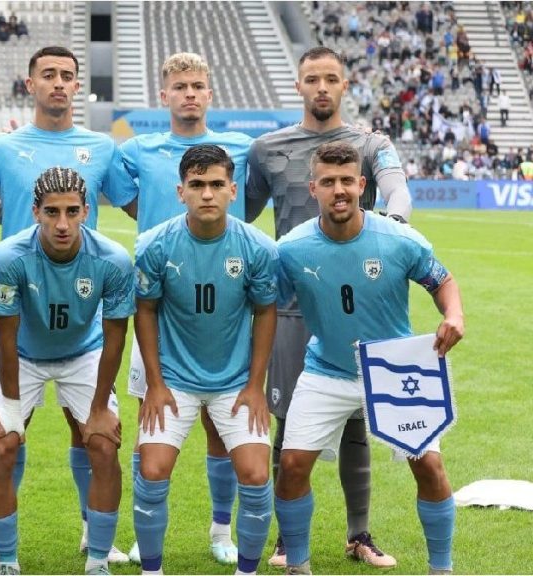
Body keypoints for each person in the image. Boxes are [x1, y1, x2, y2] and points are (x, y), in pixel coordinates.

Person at [0, 45, 137, 566]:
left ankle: (93, 535)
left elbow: (138, 204)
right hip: (23, 307)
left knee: (91, 434)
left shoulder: (101, 147)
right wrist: (13, 220)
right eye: (48, 75)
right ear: (30, 83)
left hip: (82, 312)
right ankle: (0, 545)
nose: (58, 83)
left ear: (78, 85)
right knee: (6, 435)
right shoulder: (2, 146)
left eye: (67, 75)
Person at [243, 46, 412, 569]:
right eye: (312, 78)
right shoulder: (266, 149)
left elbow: (398, 191)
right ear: (298, 85)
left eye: (331, 78)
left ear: (345, 84)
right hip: (292, 306)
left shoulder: (371, 143)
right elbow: (239, 214)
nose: (322, 87)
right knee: (287, 424)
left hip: (356, 307)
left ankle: (359, 534)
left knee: (357, 419)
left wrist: (395, 224)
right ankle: (285, 537)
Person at [274, 141, 463, 575]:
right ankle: (297, 566)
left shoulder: (398, 240)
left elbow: (442, 281)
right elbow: (266, 302)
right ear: (313, 188)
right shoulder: (291, 249)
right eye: (328, 182)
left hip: (396, 365)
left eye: (346, 180)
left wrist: (454, 314)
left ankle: (442, 569)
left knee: (429, 465)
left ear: (362, 184)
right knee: (292, 465)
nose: (338, 190)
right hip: (327, 368)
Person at [118, 52, 253, 566]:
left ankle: (221, 530)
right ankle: (144, 531)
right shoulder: (138, 150)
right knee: (150, 417)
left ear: (210, 93)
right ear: (164, 95)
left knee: (222, 424)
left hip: (224, 303)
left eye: (198, 85)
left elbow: (254, 198)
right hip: (158, 304)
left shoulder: (241, 148)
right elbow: (118, 195)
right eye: (180, 86)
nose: (189, 93)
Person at [0, 167, 134, 575]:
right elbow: (6, 337)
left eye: (71, 211)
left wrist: (100, 408)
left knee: (103, 443)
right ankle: (6, 559)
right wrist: (10, 408)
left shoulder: (112, 260)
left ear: (86, 211)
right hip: (22, 355)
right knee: (1, 445)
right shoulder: (10, 257)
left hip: (83, 353)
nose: (62, 224)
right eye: (52, 212)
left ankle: (98, 558)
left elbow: (115, 338)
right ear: (35, 212)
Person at [133, 144, 276, 576]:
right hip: (174, 377)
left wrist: (255, 386)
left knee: (256, 475)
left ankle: (244, 568)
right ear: (181, 192)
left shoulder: (257, 247)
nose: (207, 194)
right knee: (152, 470)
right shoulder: (154, 245)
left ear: (233, 190)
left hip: (234, 381)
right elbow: (146, 310)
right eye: (197, 185)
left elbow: (266, 312)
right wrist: (155, 384)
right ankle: (152, 571)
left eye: (216, 184)